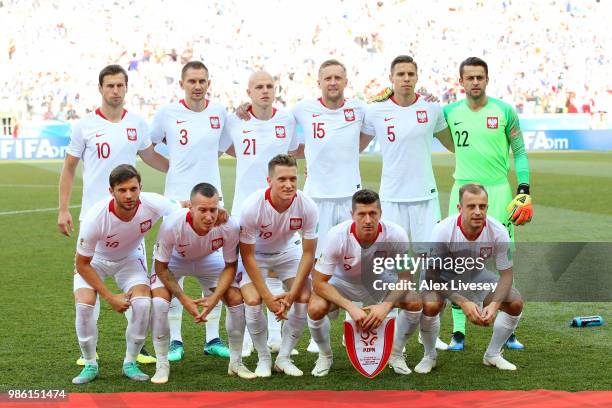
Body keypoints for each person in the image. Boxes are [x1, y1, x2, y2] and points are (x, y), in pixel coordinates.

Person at [58, 64, 168, 366]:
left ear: (126, 88)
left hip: (132, 219)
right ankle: (89, 354)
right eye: (110, 86)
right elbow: (69, 167)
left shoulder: (137, 123)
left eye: (121, 86)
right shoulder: (84, 126)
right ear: (101, 88)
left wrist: (181, 170)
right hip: (96, 218)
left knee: (138, 284)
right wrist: (64, 208)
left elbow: (149, 156)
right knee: (88, 285)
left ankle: (138, 349)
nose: (116, 91)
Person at [362, 55, 454, 351]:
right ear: (391, 78)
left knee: (432, 269)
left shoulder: (431, 109)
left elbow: (454, 144)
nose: (405, 78)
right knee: (390, 270)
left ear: (417, 77)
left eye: (410, 73)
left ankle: (430, 336)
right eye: (400, 73)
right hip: (391, 199)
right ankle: (385, 330)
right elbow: (353, 144)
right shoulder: (375, 111)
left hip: (425, 199)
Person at [443, 57, 533, 351]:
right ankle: (458, 331)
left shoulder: (504, 111)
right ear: (461, 82)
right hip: (463, 191)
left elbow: (519, 151)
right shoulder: (448, 112)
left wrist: (523, 187)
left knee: (503, 257)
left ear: (487, 79)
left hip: (497, 191)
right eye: (469, 78)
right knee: (456, 258)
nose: (475, 82)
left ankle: (506, 326)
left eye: (480, 77)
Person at [149, 60, 232, 361]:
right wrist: (173, 168)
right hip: (176, 203)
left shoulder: (219, 113)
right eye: (192, 81)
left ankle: (212, 338)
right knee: (173, 270)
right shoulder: (167, 113)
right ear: (182, 83)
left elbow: (222, 148)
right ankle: (176, 341)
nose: (197, 86)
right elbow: (148, 146)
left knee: (216, 268)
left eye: (202, 81)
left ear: (209, 83)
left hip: (211, 202)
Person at [71, 164, 181, 384]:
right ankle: (90, 363)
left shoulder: (153, 202)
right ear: (111, 191)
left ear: (141, 187)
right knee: (85, 305)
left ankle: (130, 362)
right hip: (96, 261)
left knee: (142, 304)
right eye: (122, 190)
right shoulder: (96, 218)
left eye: (133, 188)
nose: (129, 195)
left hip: (131, 259)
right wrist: (110, 297)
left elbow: (182, 212)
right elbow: (82, 264)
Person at [307, 189, 428, 377]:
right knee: (315, 307)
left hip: (379, 283)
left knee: (414, 301)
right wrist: (350, 307)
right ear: (352, 215)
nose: (368, 220)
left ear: (381, 213)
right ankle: (325, 356)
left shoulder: (396, 234)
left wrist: (386, 306)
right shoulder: (336, 235)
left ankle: (395, 355)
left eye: (373, 213)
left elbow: (405, 278)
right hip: (343, 283)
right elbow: (319, 282)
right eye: (361, 214)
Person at [223, 70, 299, 355]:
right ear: (249, 92)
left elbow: (290, 153)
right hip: (244, 206)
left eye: (269, 86)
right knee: (244, 272)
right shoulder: (234, 120)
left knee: (276, 267)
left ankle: (276, 334)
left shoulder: (287, 119)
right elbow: (227, 148)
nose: (265, 91)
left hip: (279, 205)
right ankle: (244, 339)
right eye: (258, 87)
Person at [150, 183, 254, 383]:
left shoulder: (229, 225)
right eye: (203, 210)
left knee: (235, 299)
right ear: (190, 208)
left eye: (213, 210)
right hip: (175, 260)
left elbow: (230, 266)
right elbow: (161, 267)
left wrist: (215, 297)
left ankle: (236, 362)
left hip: (208, 260)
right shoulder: (172, 224)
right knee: (160, 302)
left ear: (219, 207)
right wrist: (183, 298)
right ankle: (162, 365)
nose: (209, 216)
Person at [421, 183, 524, 371]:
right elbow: (431, 277)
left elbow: (507, 275)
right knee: (431, 304)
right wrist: (463, 302)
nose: (478, 212)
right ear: (459, 208)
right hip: (441, 277)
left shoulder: (499, 231)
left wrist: (493, 305)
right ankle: (429, 355)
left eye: (482, 206)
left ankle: (492, 354)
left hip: (473, 275)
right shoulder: (443, 230)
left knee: (514, 301)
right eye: (471, 206)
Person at [239, 154, 318, 377]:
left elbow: (309, 253)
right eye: (282, 179)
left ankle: (283, 357)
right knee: (253, 300)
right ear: (269, 180)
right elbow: (247, 256)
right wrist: (267, 297)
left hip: (288, 252)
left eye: (293, 178)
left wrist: (291, 295)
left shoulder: (307, 206)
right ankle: (263, 357)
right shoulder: (252, 206)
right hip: (257, 256)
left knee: (303, 296)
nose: (288, 184)